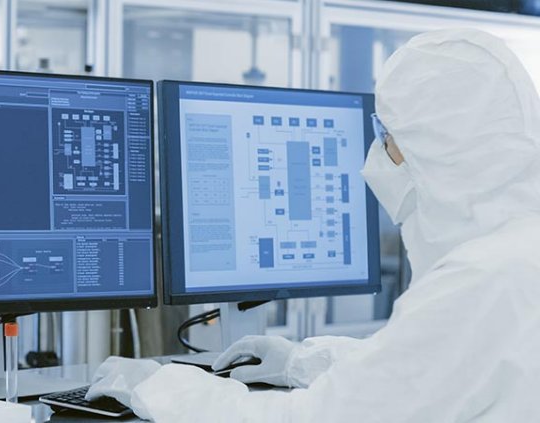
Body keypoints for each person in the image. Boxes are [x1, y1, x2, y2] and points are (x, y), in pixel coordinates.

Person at [86, 28, 540, 422]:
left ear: (425, 148)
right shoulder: (516, 253)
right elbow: (433, 370)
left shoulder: (477, 282)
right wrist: (302, 361)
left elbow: (314, 420)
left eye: (386, 137)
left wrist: (155, 387)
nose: (378, 155)